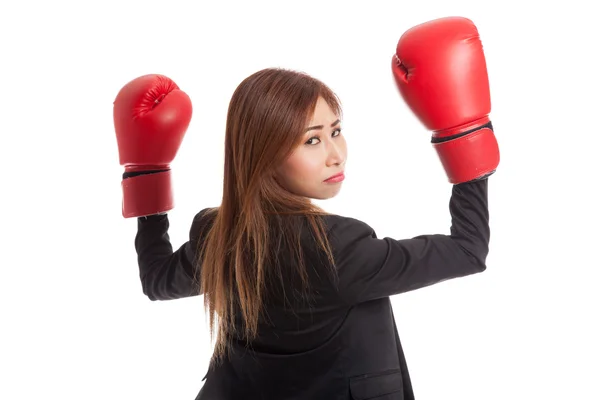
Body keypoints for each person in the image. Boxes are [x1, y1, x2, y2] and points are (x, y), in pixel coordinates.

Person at [113, 16, 499, 400]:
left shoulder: (218, 232)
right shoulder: (340, 247)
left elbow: (157, 281)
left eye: (335, 131)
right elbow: (467, 250)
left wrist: (146, 171)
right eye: (311, 141)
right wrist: (463, 131)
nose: (336, 155)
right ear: (265, 155)